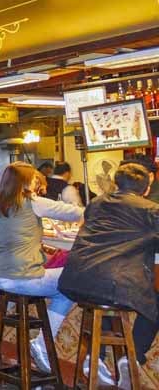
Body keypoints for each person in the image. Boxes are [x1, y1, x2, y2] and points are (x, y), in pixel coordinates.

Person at [59, 163, 159, 389]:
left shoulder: (95, 203)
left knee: (103, 293)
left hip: (74, 280)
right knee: (152, 300)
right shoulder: (150, 209)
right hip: (115, 285)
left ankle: (96, 357)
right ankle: (133, 355)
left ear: (116, 183)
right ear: (146, 188)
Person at [0, 162, 83, 373]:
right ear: (25, 182)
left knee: (63, 281)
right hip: (22, 277)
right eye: (32, 179)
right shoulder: (33, 202)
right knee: (72, 280)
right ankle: (40, 342)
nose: (35, 183)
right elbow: (73, 212)